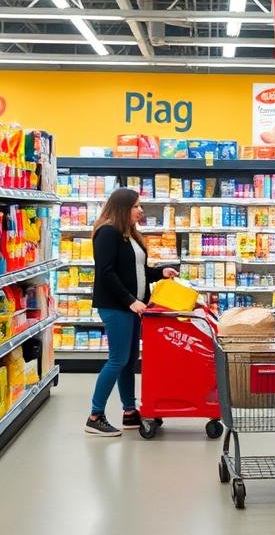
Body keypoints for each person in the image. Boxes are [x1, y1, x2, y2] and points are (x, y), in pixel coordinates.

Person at [86, 187, 177, 436]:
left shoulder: (129, 235)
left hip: (134, 306)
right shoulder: (107, 232)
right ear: (122, 207)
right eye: (136, 206)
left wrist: (161, 272)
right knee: (117, 360)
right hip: (117, 306)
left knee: (128, 362)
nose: (140, 210)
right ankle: (95, 416)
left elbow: (137, 271)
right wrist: (129, 300)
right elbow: (106, 273)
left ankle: (129, 411)